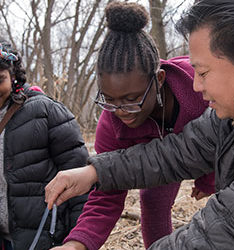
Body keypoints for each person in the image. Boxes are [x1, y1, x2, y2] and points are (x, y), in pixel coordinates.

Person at [45, 0, 234, 248]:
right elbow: (177, 152)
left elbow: (223, 233)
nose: (197, 86)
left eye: (202, 73)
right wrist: (95, 172)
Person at [48, 2, 213, 249]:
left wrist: (208, 179)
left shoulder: (196, 85)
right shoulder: (111, 124)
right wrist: (76, 244)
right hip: (153, 167)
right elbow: (107, 194)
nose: (121, 111)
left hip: (210, 157)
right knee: (152, 202)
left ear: (159, 79)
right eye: (110, 99)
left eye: (132, 99)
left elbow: (223, 133)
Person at [0, 41, 89, 250]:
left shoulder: (45, 111)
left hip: (40, 238)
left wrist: (78, 240)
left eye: (0, 79)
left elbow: (80, 180)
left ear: (13, 76)